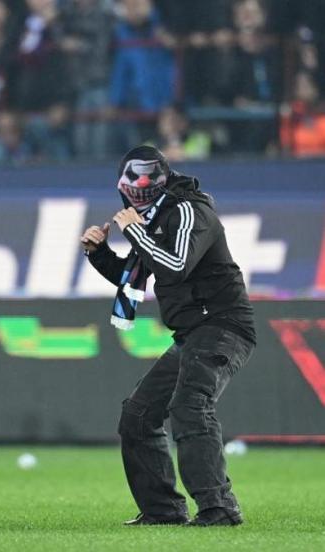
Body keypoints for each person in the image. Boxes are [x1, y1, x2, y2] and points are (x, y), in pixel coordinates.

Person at [82, 145, 256, 527]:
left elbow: (176, 266)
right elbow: (139, 275)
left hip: (223, 325)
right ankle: (163, 511)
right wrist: (99, 254)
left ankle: (219, 508)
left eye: (143, 190)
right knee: (139, 416)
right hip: (193, 334)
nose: (138, 198)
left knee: (191, 405)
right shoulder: (157, 218)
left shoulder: (191, 210)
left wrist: (133, 230)